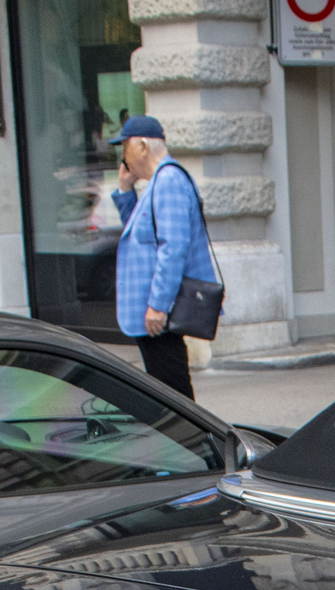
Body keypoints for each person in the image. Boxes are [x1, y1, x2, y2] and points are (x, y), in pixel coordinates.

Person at [110, 115, 217, 398]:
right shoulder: (159, 182)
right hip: (153, 314)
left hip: (159, 314)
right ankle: (186, 439)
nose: (123, 157)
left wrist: (158, 305)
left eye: (125, 148)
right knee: (167, 390)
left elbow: (173, 248)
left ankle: (192, 442)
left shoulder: (168, 181)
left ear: (143, 146)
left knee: (173, 392)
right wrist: (124, 189)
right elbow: (137, 232)